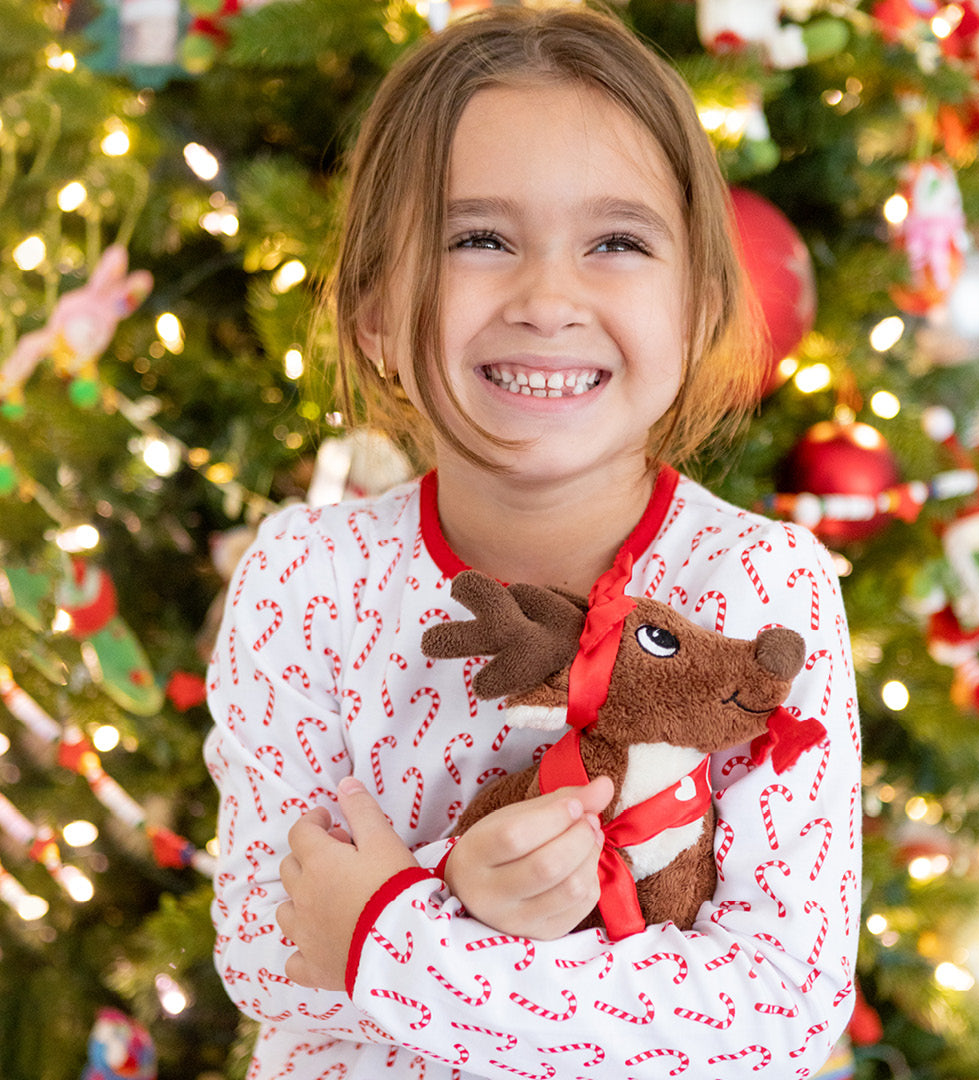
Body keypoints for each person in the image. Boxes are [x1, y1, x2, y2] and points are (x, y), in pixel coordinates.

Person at [204, 7, 862, 1078]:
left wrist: (407, 937)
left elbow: (780, 1004)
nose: (548, 299)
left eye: (616, 242)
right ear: (374, 307)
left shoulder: (759, 591)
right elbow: (269, 952)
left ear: (698, 304)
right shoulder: (307, 580)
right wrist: (460, 902)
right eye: (478, 239)